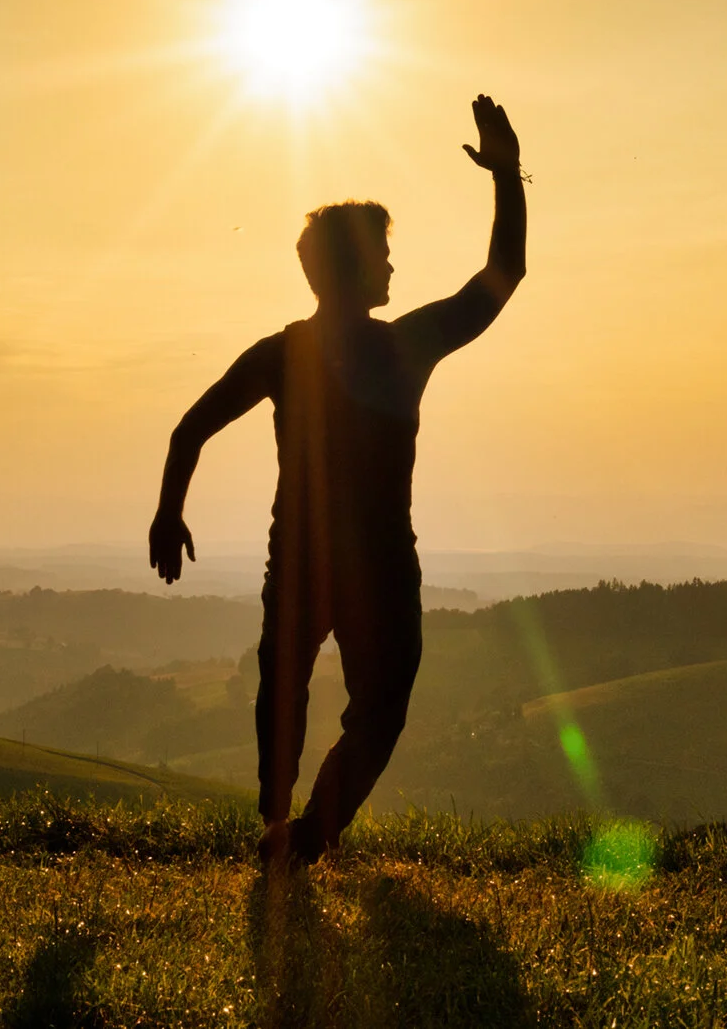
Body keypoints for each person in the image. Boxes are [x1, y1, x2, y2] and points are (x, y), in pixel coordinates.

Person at [148, 95, 525, 867]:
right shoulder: (407, 345)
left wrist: (169, 511)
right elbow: (504, 272)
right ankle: (302, 835)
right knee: (376, 712)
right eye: (383, 254)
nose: (393, 264)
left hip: (305, 556)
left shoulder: (284, 352)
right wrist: (505, 173)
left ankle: (281, 828)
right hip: (381, 567)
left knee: (283, 691)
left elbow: (191, 428)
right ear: (355, 266)